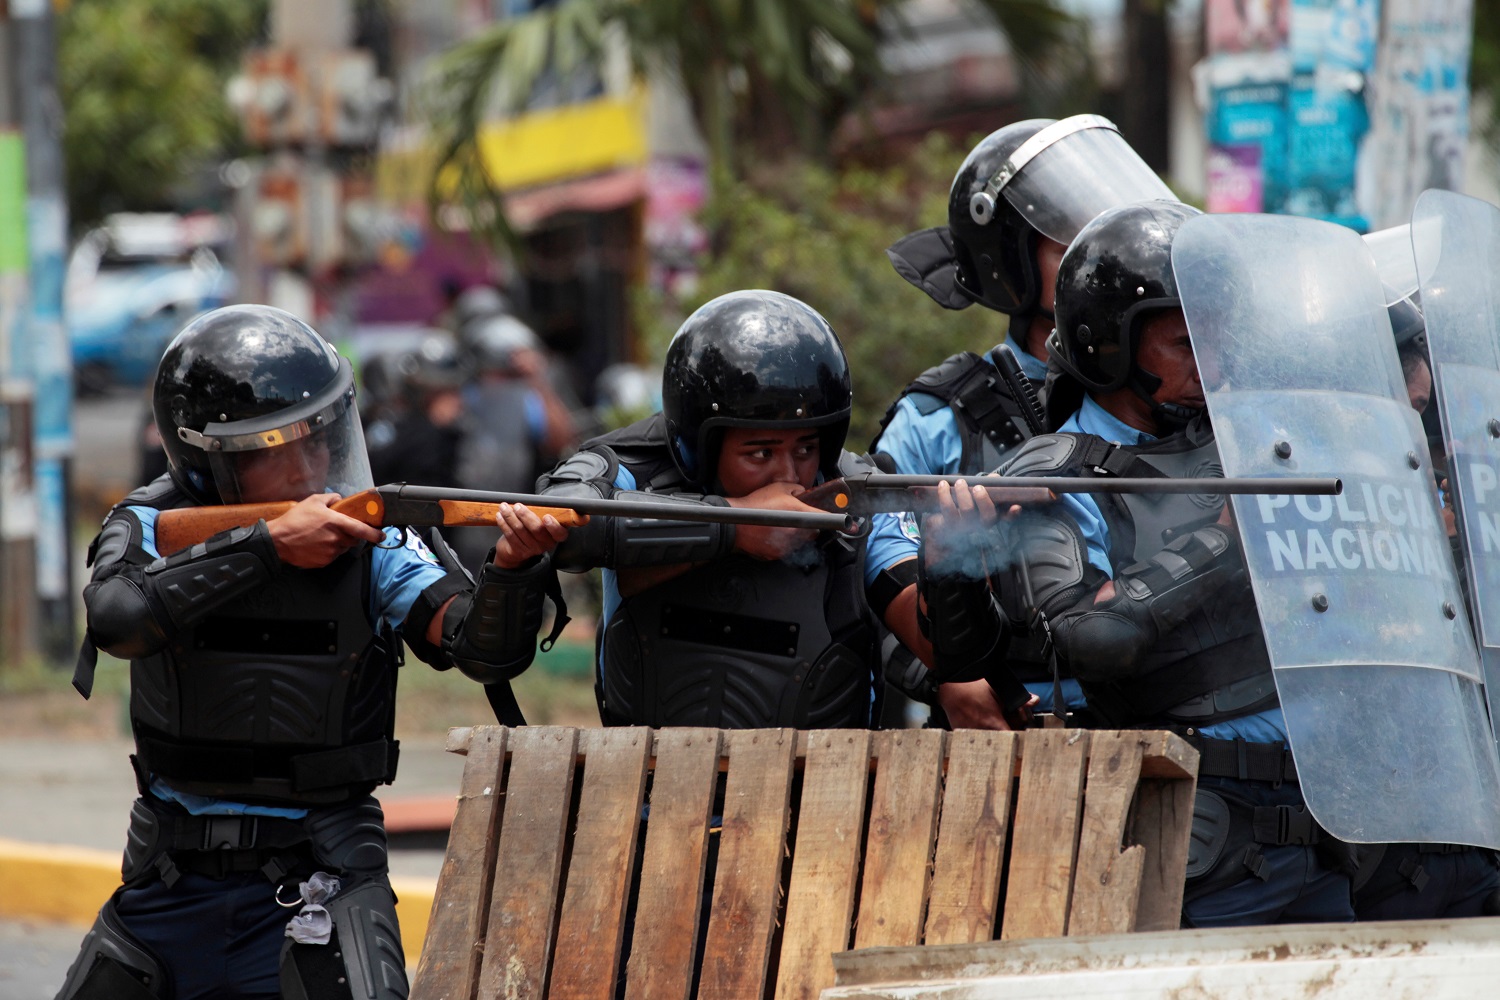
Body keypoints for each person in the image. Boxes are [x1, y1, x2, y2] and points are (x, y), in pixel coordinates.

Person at [58, 305, 570, 1000]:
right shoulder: (151, 522)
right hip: (167, 885)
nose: (310, 467)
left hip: (322, 884)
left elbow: (478, 648)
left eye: (320, 439)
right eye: (278, 450)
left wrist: (513, 567)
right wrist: (268, 547)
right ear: (213, 463)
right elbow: (116, 620)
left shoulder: (373, 534)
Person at [948, 201, 1356, 926]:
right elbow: (1093, 638)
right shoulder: (1058, 472)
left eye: (1218, 334)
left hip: (1328, 825)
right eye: (1184, 341)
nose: (1213, 361)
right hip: (1190, 836)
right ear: (1108, 343)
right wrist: (1225, 540)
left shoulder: (1257, 446)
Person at [535, 289, 1018, 730]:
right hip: (645, 803)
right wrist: (735, 527)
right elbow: (568, 526)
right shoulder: (629, 466)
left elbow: (953, 656)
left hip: (819, 807)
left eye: (806, 449)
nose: (789, 474)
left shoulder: (856, 494)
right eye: (760, 453)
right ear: (702, 443)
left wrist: (951, 567)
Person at [874, 115, 1179, 720]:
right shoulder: (940, 416)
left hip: (1177, 718)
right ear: (1008, 259)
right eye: (1074, 244)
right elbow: (878, 571)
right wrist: (944, 679)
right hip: (1007, 735)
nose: (1107, 260)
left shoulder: (1181, 392)